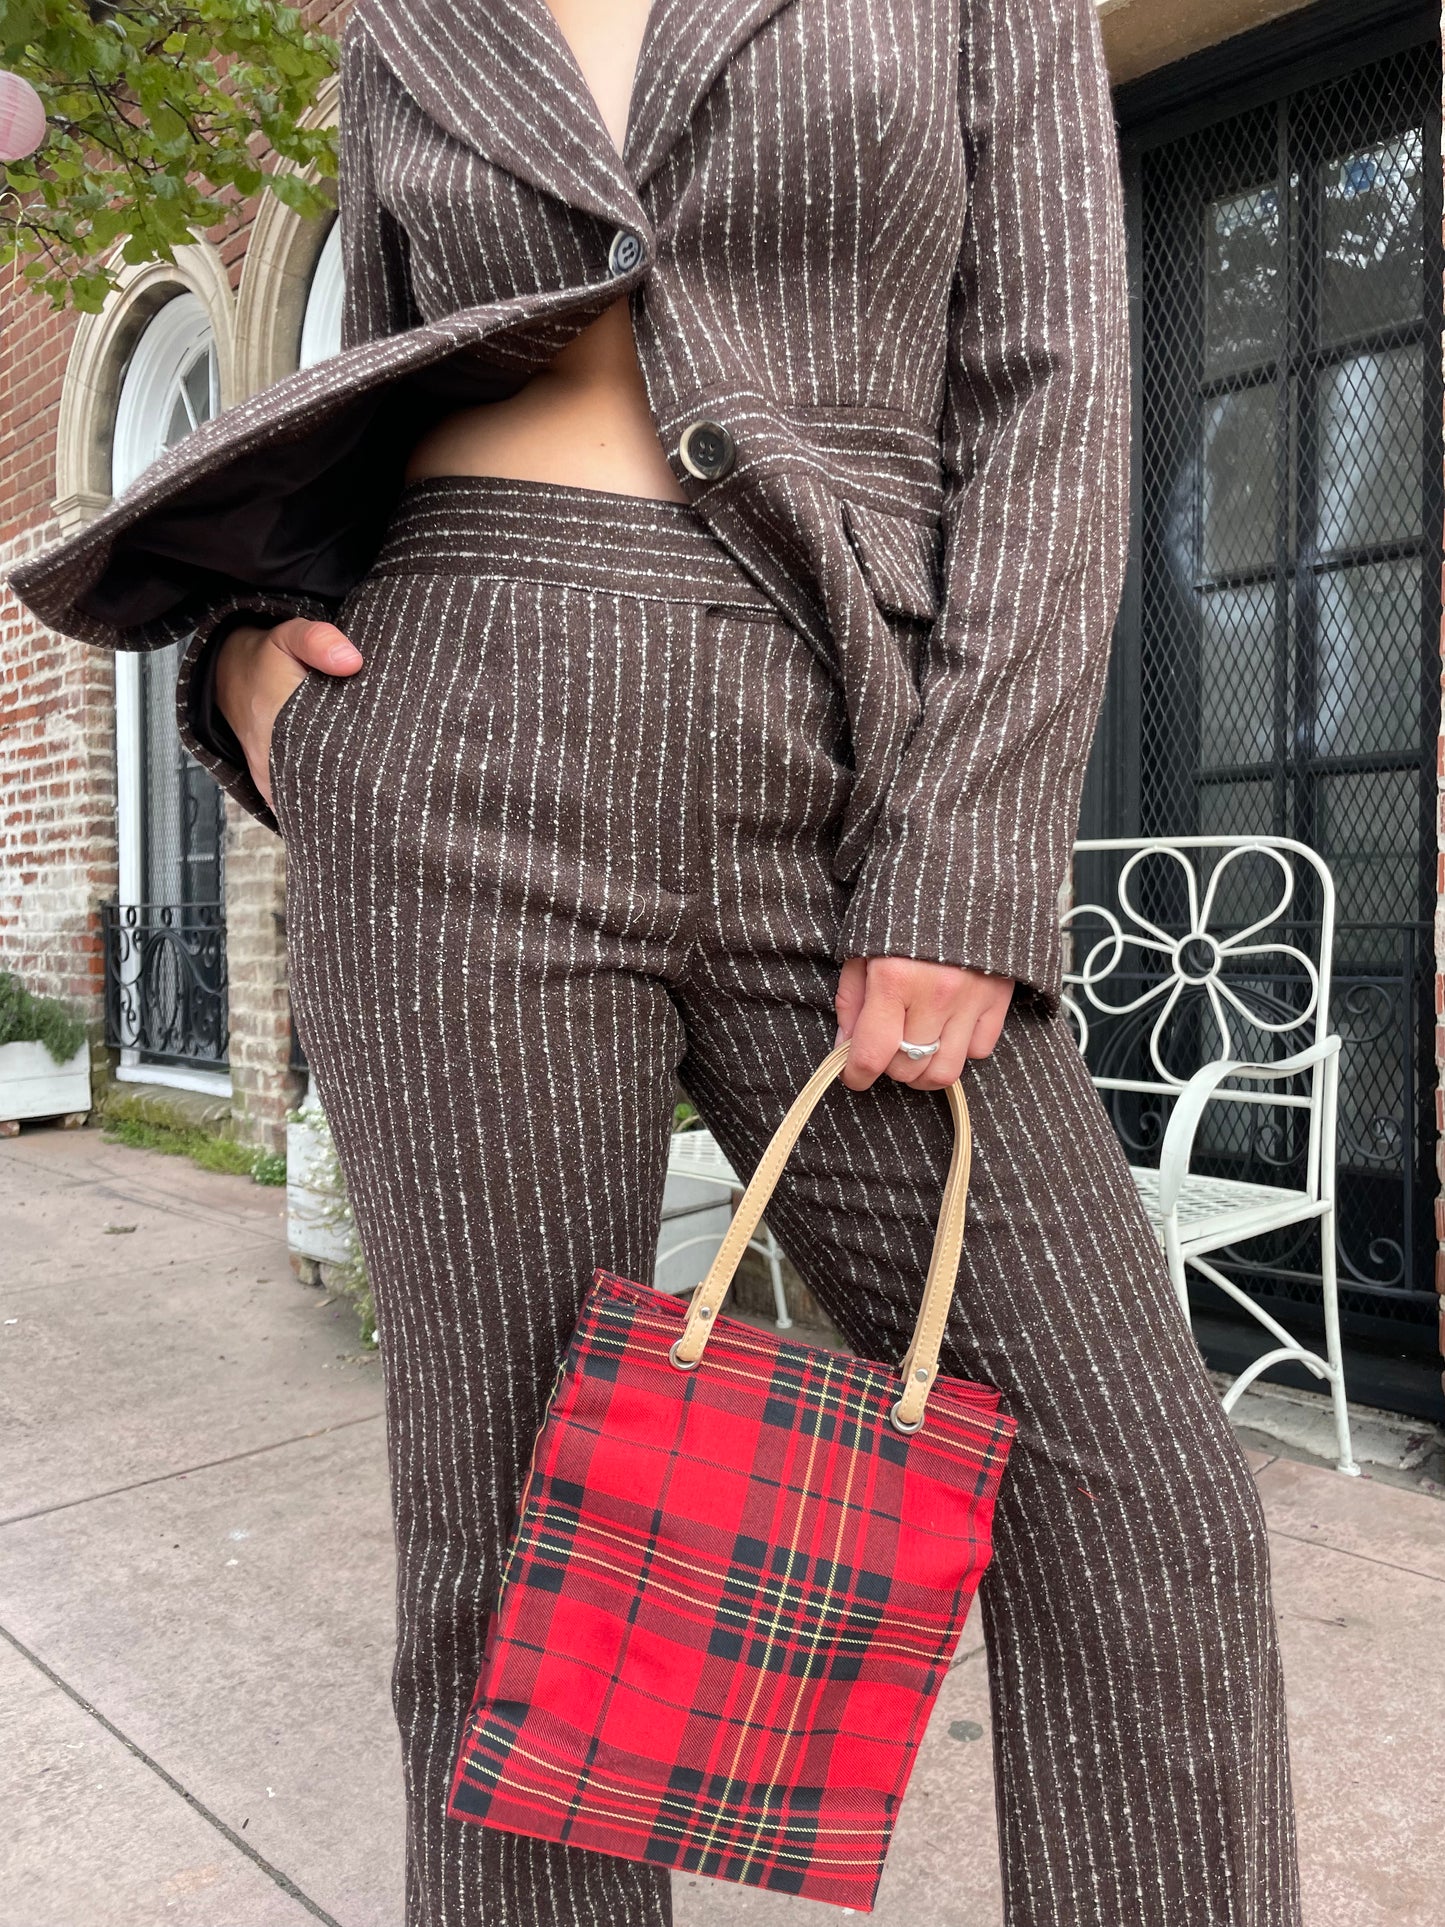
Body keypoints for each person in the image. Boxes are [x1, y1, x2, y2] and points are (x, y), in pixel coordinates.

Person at [9, 2, 1302, 1922]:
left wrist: (961, 853)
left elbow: (1047, 390)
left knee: (1134, 1507)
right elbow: (378, 382)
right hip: (449, 742)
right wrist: (245, 663)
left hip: (843, 749)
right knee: (518, 1563)